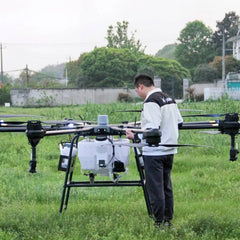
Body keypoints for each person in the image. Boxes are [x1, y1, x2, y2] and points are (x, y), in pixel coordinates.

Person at [126, 73, 183, 228]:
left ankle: (159, 223)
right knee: (166, 187)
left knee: (155, 188)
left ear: (141, 86)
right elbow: (179, 122)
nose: (137, 93)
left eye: (136, 90)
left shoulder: (151, 101)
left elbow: (152, 130)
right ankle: (167, 220)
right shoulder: (168, 98)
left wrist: (135, 136)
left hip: (155, 152)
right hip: (170, 150)